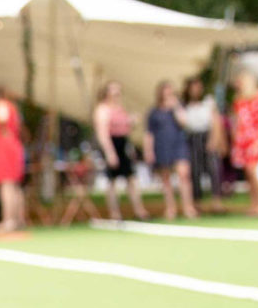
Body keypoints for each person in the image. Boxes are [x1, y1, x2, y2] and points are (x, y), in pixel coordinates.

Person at [142, 81, 195, 222]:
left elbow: (184, 122)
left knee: (184, 175)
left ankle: (188, 207)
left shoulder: (178, 108)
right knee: (165, 179)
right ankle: (170, 208)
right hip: (162, 146)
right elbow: (149, 133)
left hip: (178, 144)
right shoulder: (153, 112)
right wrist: (148, 151)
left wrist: (176, 106)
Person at [229, 68, 258, 216]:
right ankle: (254, 204)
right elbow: (236, 121)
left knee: (254, 171)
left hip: (255, 138)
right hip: (242, 140)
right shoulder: (239, 100)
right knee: (248, 174)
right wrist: (235, 137)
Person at [92, 81, 137, 222]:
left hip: (123, 143)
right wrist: (110, 153)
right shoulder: (102, 109)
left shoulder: (120, 108)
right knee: (112, 181)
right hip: (111, 144)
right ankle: (114, 213)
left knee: (131, 178)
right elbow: (102, 133)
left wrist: (131, 122)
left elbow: (126, 129)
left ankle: (138, 210)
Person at [177, 77, 220, 206]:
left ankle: (216, 201)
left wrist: (213, 140)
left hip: (206, 135)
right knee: (195, 171)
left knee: (213, 170)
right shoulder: (184, 105)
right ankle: (197, 201)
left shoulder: (208, 102)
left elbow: (215, 122)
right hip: (192, 138)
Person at [0, 93, 26, 233]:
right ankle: (18, 219)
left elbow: (3, 122)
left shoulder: (1, 105)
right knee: (14, 186)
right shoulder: (13, 108)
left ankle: (9, 220)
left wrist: (4, 134)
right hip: (13, 148)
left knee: (6, 185)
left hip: (6, 150)